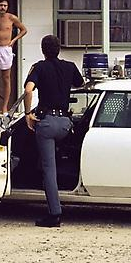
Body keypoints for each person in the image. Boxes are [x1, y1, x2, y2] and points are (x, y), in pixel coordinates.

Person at [23, 34, 84, 228]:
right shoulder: (70, 67)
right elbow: (81, 84)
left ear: (43, 50)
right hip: (66, 124)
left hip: (47, 124)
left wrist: (27, 114)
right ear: (59, 49)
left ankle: (54, 214)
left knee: (49, 169)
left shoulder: (39, 67)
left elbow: (28, 90)